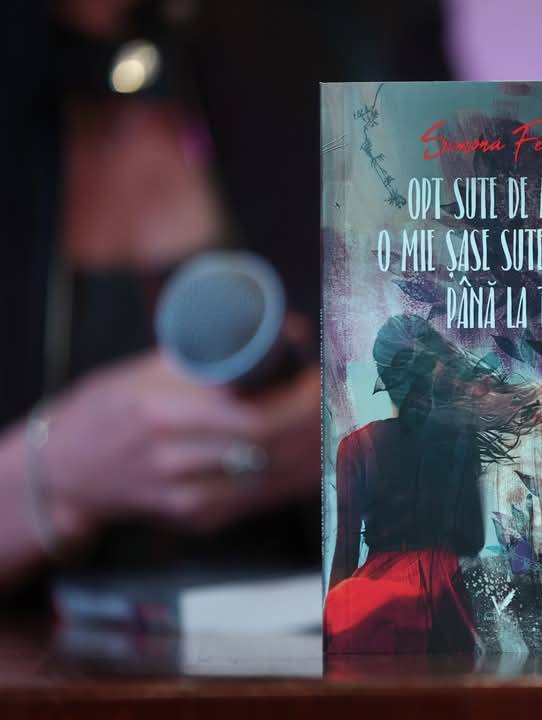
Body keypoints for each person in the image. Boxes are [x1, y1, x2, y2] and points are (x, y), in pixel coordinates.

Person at [0, 0, 451, 599]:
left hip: (327, 636)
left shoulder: (345, 44)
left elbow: (487, 405)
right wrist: (51, 473)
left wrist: (359, 431)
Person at [325, 315, 542, 653]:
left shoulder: (355, 447)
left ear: (385, 379)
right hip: (443, 599)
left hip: (374, 605)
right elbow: (472, 541)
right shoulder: (458, 436)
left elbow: (345, 553)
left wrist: (330, 635)